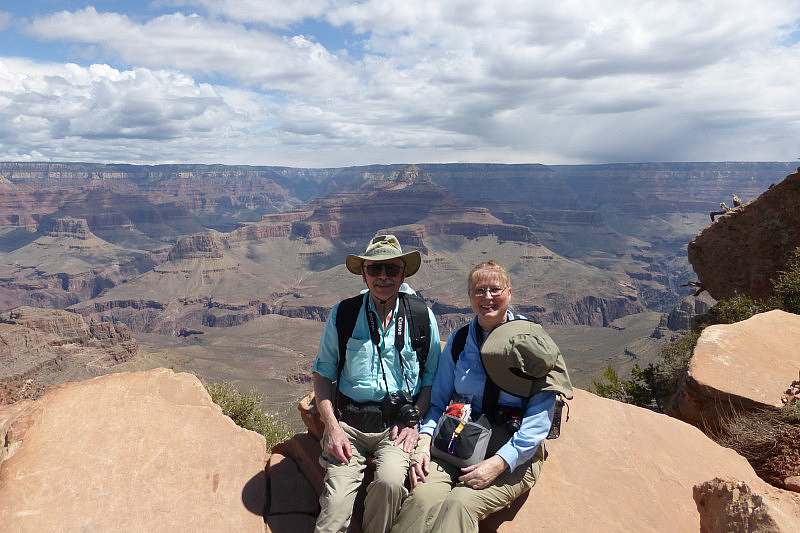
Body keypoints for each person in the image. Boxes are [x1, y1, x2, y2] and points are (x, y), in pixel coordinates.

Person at [391, 261, 572, 533]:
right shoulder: (461, 340)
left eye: (495, 289)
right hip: (458, 439)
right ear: (470, 296)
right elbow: (439, 401)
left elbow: (538, 420)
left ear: (509, 292)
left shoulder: (532, 343)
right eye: (479, 290)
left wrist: (499, 463)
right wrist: (425, 441)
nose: (487, 297)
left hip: (510, 449)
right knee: (422, 499)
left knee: (460, 503)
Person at [311, 235, 441, 533]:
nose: (383, 277)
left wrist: (414, 420)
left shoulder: (421, 316)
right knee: (334, 510)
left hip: (395, 428)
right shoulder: (344, 314)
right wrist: (331, 427)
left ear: (403, 274)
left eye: (391, 270)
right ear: (364, 273)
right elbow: (323, 374)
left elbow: (431, 379)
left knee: (390, 484)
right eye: (375, 270)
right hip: (349, 427)